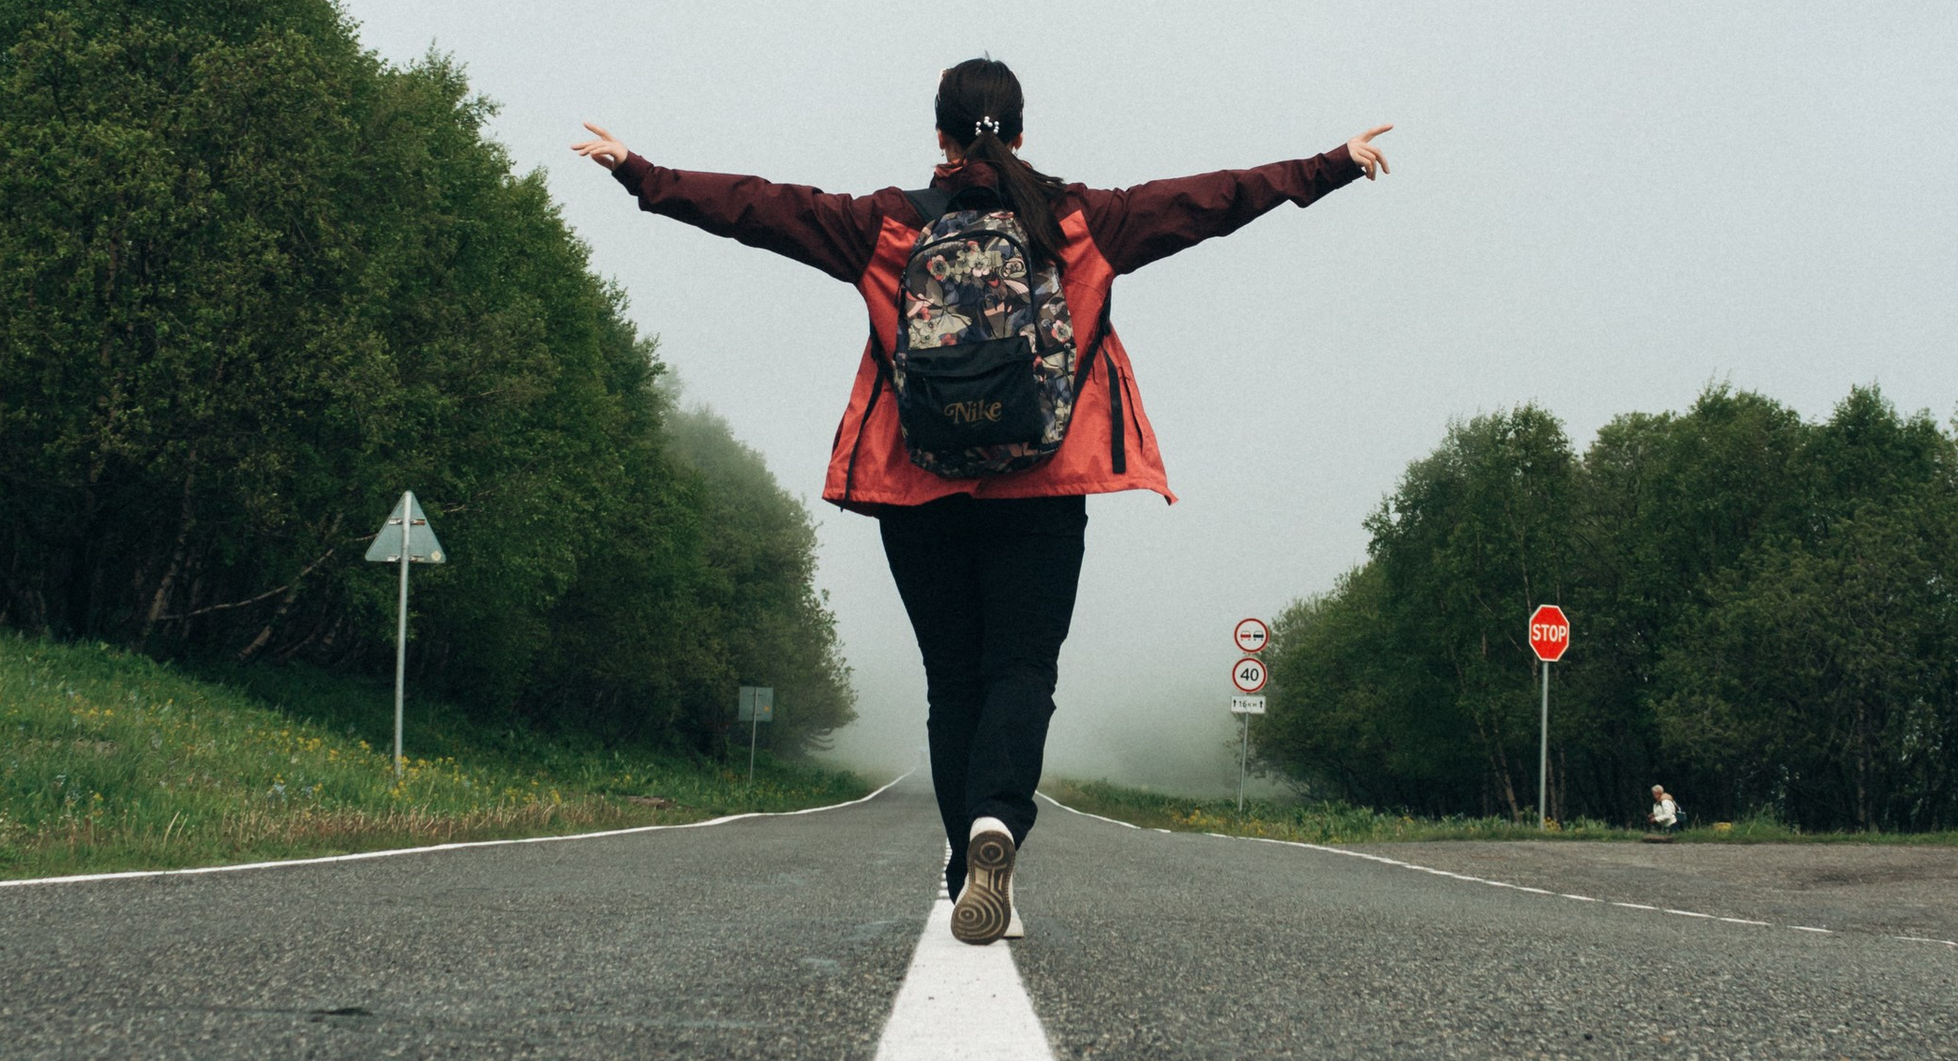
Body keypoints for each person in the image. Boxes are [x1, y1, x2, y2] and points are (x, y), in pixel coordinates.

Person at [574, 61, 1391, 945]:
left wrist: (641, 173)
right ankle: (998, 820)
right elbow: (1214, 200)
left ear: (940, 136)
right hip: (1043, 486)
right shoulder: (1083, 221)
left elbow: (759, 208)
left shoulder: (882, 225)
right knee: (1021, 669)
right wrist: (1331, 164)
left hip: (915, 486)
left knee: (951, 681)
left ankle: (967, 862)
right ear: (1024, 134)